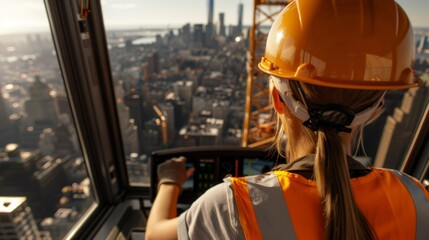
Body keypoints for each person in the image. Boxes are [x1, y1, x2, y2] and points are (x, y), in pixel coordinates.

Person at [146, 0, 429, 239]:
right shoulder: (414, 199)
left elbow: (155, 234)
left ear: (277, 99)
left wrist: (170, 182)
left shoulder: (233, 206)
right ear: (378, 107)